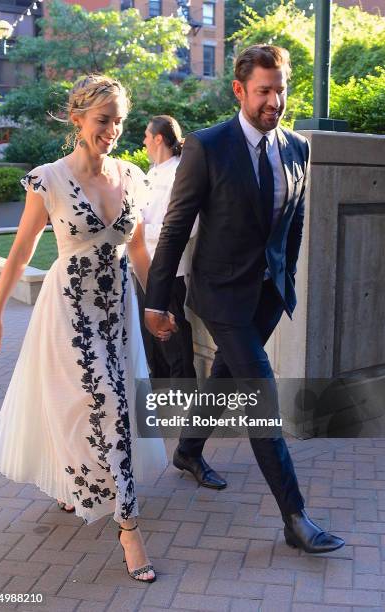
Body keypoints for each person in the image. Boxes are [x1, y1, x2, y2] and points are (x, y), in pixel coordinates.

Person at [144, 45, 345, 554]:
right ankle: (295, 518)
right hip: (220, 294)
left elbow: (294, 222)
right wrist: (157, 299)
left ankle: (188, 451)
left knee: (225, 380)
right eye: (264, 90)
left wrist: (287, 278)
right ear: (239, 90)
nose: (274, 99)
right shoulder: (208, 147)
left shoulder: (297, 147)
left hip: (267, 295)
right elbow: (174, 229)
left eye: (280, 88)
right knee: (261, 395)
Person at [0, 74, 169, 583]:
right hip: (69, 315)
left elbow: (137, 249)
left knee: (117, 405)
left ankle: (75, 486)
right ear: (78, 118)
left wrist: (158, 305)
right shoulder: (49, 179)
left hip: (119, 312)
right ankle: (130, 528)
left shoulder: (132, 176)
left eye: (120, 121)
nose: (113, 130)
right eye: (104, 120)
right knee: (101, 405)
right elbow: (19, 251)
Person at [136, 115, 197, 380]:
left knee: (173, 336)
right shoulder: (151, 173)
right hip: (143, 266)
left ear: (158, 138)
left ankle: (185, 396)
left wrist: (137, 231)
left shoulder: (179, 173)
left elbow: (186, 226)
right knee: (151, 340)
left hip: (169, 268)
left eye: (147, 137)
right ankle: (159, 395)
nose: (144, 142)